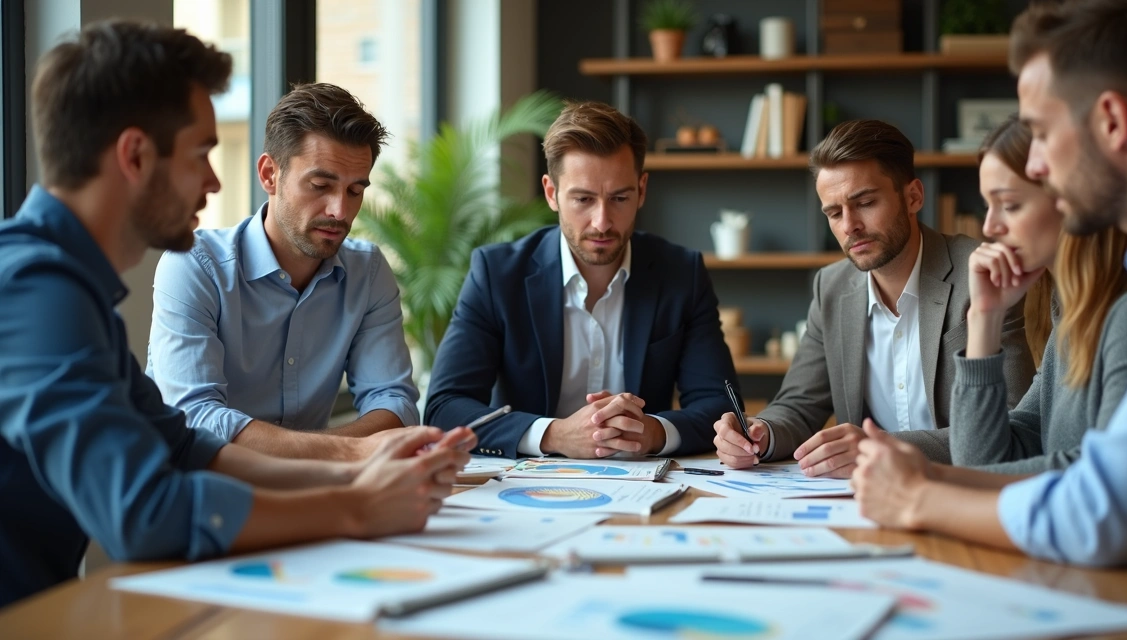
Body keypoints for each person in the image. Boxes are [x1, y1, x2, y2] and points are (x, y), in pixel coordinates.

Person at [0, 20, 471, 607]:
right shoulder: (33, 290)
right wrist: (354, 505)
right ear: (136, 156)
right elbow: (142, 512)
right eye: (201, 152)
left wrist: (355, 474)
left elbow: (185, 446)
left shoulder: (69, 288)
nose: (214, 180)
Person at [852, 0, 1127, 594]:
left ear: (1113, 123)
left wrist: (921, 497)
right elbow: (1044, 465)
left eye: (1042, 133)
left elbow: (1105, 506)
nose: (1039, 163)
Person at [712, 119, 1034, 476]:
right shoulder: (831, 288)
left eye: (864, 202)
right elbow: (800, 404)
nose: (849, 226)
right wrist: (758, 434)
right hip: (866, 501)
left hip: (959, 487)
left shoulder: (981, 276)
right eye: (834, 213)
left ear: (913, 196)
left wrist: (882, 448)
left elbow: (1012, 423)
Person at [424, 101, 737, 459]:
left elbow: (720, 405)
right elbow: (445, 408)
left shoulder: (682, 273)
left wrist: (652, 431)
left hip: (644, 487)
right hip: (524, 489)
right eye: (583, 199)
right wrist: (553, 435)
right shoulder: (496, 274)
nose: (602, 221)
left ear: (642, 190)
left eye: (619, 198)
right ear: (551, 193)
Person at [146, 83, 419, 461]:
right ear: (269, 174)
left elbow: (395, 404)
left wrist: (327, 456)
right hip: (201, 494)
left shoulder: (368, 272)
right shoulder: (194, 264)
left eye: (355, 191)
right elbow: (196, 419)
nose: (340, 211)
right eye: (320, 185)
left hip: (316, 489)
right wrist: (346, 452)